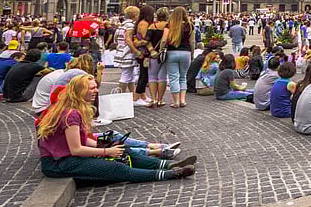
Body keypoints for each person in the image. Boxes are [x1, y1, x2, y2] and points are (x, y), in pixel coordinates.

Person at [36, 74, 195, 182]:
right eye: (92, 88)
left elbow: (83, 141)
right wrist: (106, 151)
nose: (96, 91)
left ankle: (166, 165)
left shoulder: (73, 109)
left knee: (123, 150)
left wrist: (106, 146)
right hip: (59, 164)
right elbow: (76, 149)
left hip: (65, 158)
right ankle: (168, 174)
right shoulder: (71, 114)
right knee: (115, 168)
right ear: (80, 91)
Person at [163, 6, 194, 108]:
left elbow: (164, 40)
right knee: (183, 77)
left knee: (173, 78)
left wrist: (160, 49)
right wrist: (192, 54)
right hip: (186, 53)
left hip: (172, 52)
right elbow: (192, 42)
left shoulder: (169, 25)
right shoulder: (189, 25)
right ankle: (183, 100)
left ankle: (175, 101)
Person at [114, 7, 141, 101]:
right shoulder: (130, 25)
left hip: (122, 50)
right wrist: (136, 50)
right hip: (127, 52)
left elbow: (116, 37)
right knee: (126, 75)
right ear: (135, 15)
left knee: (130, 75)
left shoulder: (123, 24)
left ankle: (132, 96)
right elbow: (128, 39)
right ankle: (120, 98)